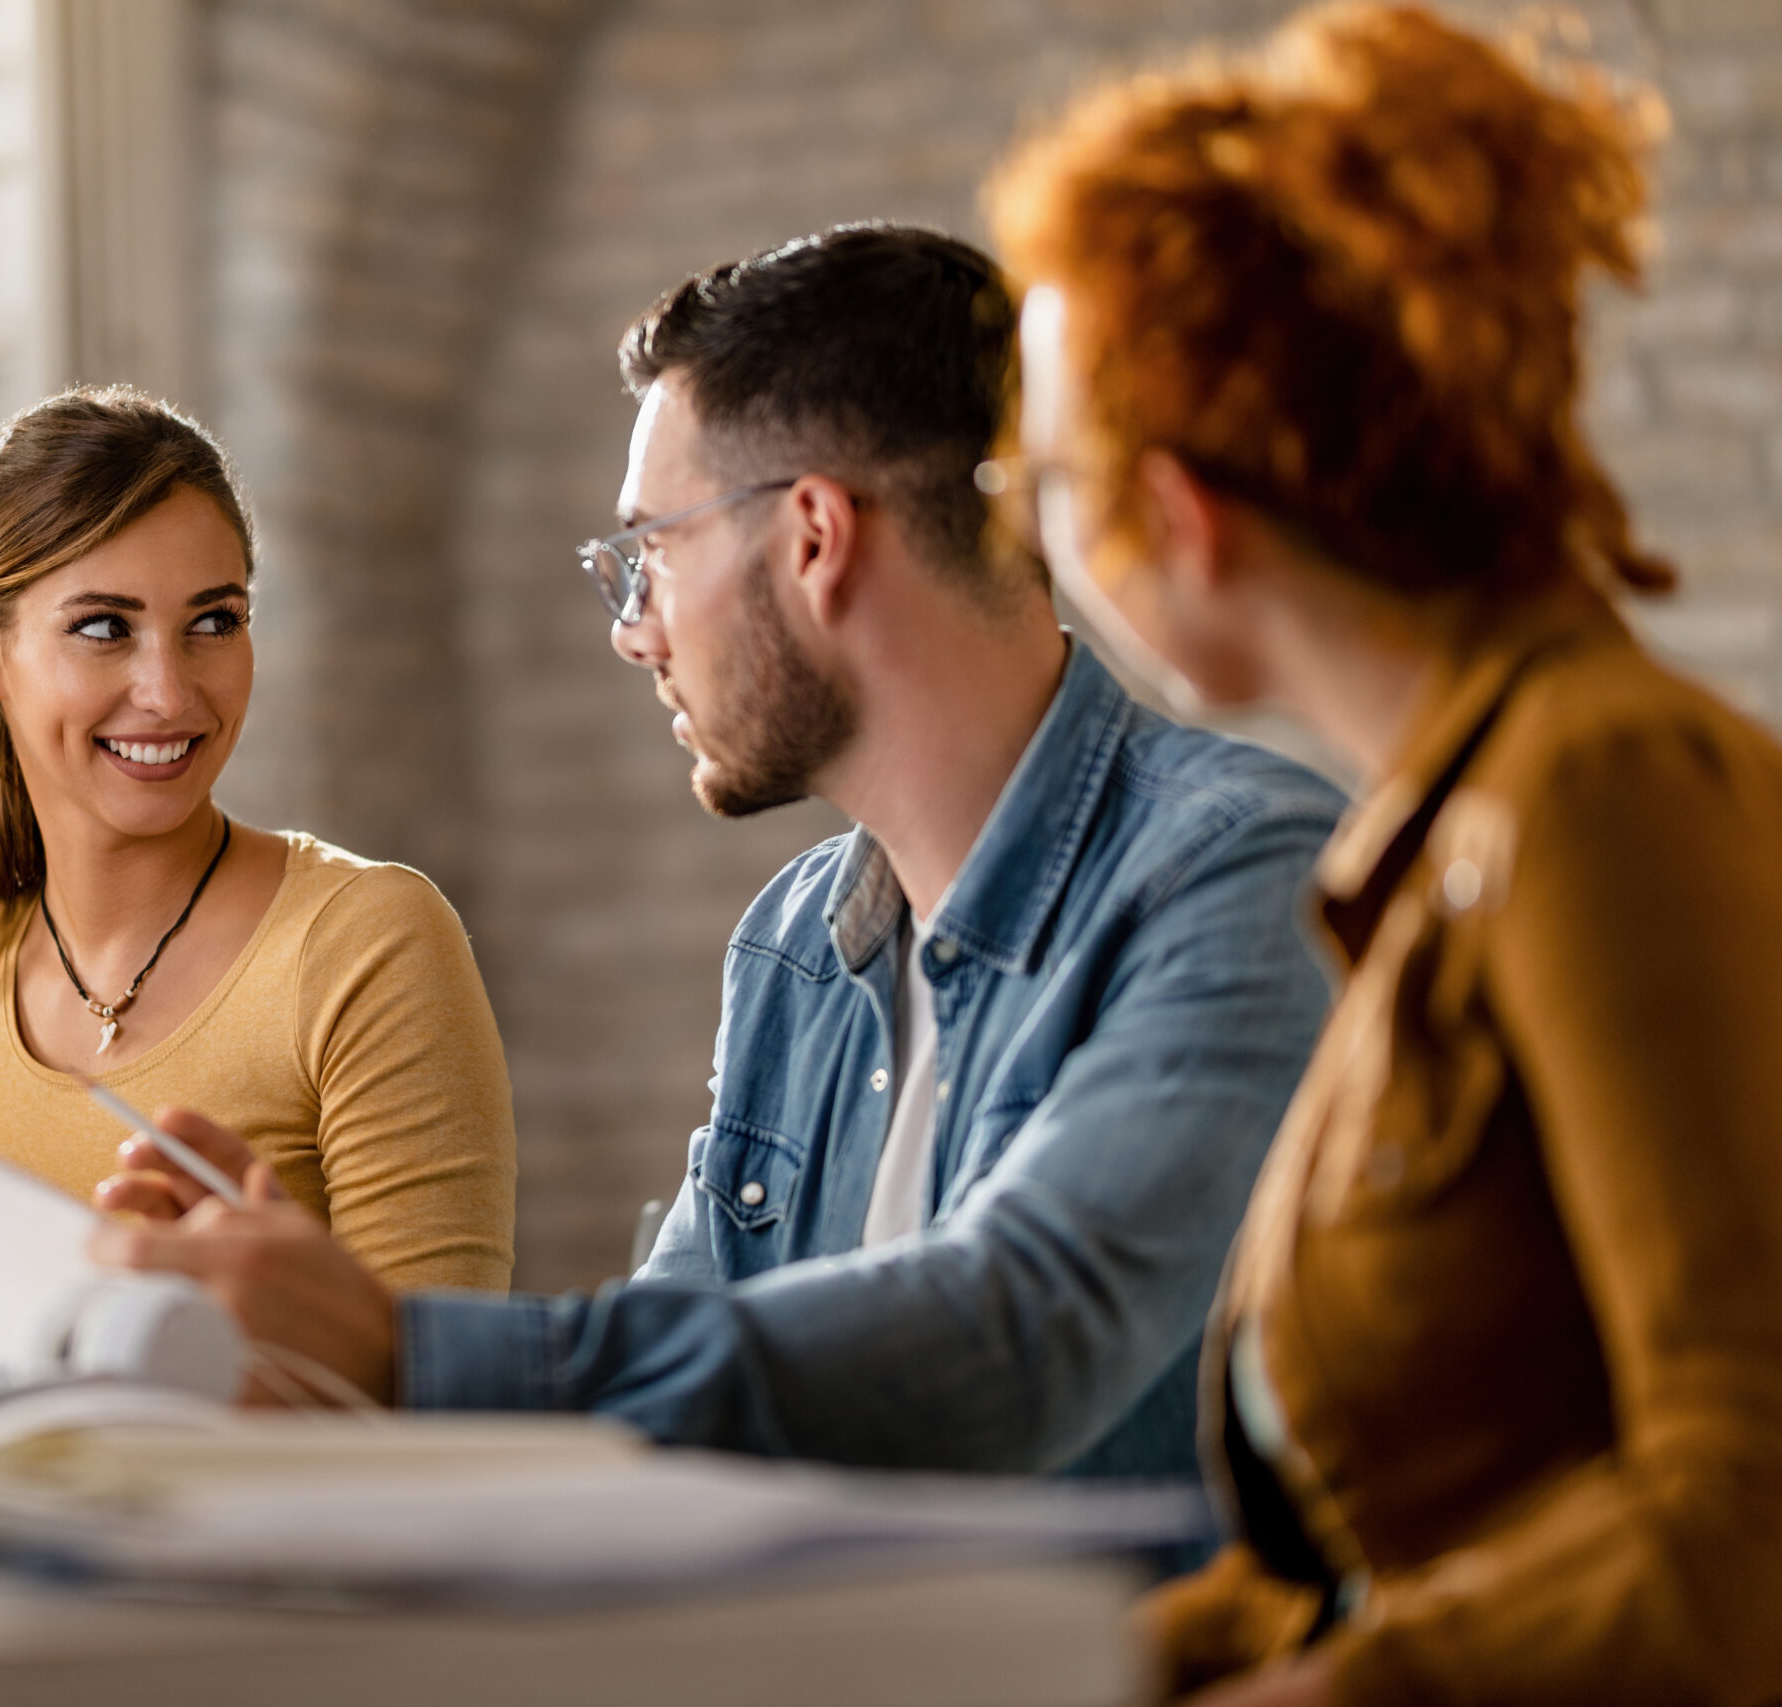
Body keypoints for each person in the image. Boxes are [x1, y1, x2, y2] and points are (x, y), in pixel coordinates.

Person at [92, 225, 1346, 1479]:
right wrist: (311, 1349)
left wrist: (401, 1352)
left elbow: (1026, 1336)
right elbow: (676, 1376)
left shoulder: (1243, 874)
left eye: (651, 552)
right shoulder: (795, 942)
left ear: (812, 538)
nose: (634, 632)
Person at [978, 4, 1782, 1701]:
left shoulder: (1603, 787)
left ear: (1178, 507)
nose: (1025, 516)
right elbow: (1338, 1569)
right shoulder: (1449, 834)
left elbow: (1749, 1518)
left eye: (1040, 472)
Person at [0, 387, 517, 1376]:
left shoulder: (365, 943)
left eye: (214, 620)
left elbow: (438, 1387)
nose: (169, 690)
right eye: (106, 628)